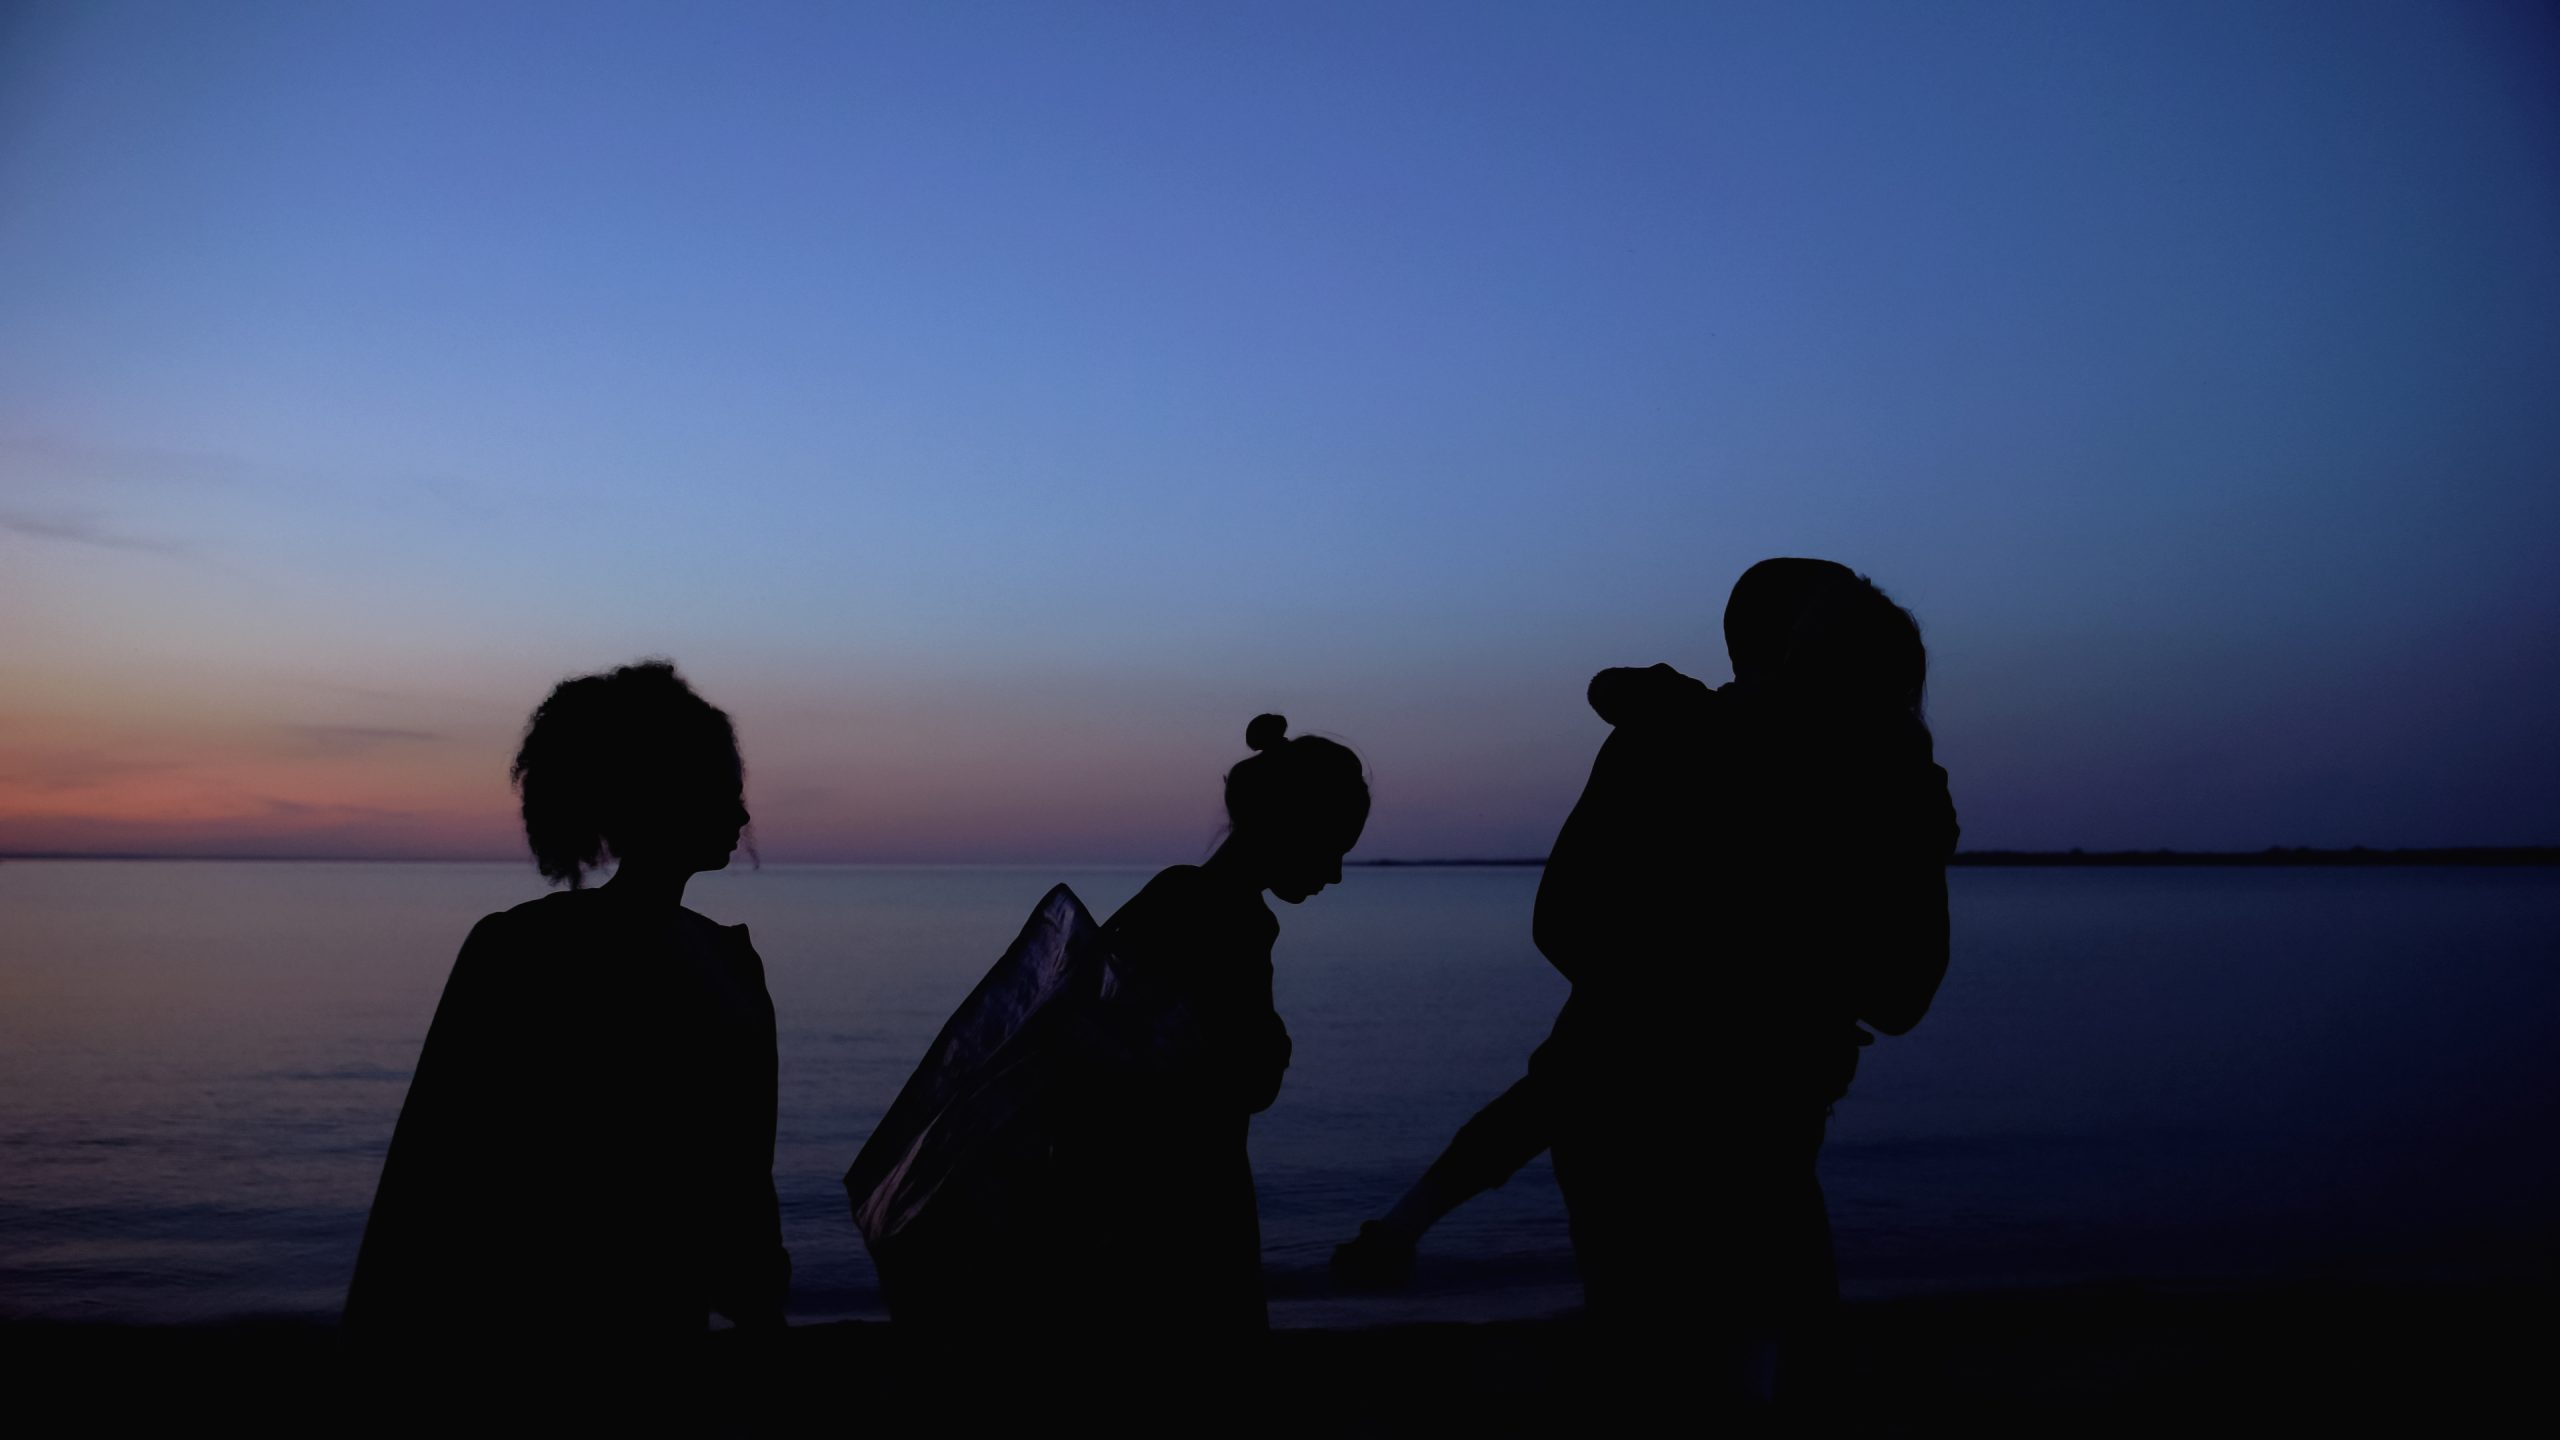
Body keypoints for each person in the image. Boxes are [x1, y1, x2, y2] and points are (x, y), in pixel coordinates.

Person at [1335, 560, 1956, 1403]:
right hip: (1723, 1124)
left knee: (1680, 1356)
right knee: (1736, 1353)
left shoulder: (1682, 739)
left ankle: (1399, 1232)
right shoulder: (1872, 780)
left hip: (1663, 1125)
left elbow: (1559, 930)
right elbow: (1901, 994)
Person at [344, 660, 788, 1359]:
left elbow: (741, 1187)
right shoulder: (526, 951)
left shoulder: (724, 965)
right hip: (543, 1338)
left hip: (642, 1335)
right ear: (658, 794)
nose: (740, 814)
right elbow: (436, 1171)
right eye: (721, 790)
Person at [1052, 712, 1369, 1333]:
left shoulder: (1170, 895)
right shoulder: (1234, 920)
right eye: (1331, 849)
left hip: (1117, 1193)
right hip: (1180, 1202)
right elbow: (1247, 1078)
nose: (1333, 874)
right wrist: (1273, 1044)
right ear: (1288, 827)